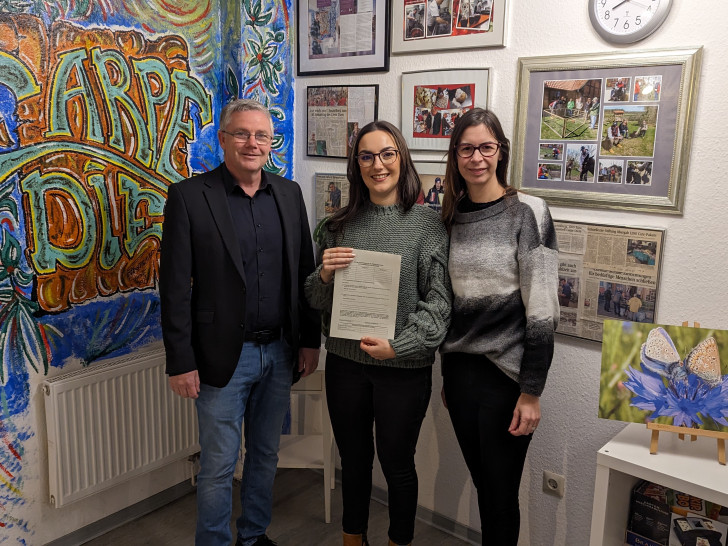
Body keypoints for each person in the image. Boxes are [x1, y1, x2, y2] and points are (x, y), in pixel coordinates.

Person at [160, 99, 321, 546]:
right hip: (220, 356)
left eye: (261, 136)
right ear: (223, 139)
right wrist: (180, 360)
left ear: (271, 143)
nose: (253, 143)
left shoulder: (288, 194)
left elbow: (304, 273)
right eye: (242, 134)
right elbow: (173, 287)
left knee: (266, 454)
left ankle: (253, 536)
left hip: (281, 350)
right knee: (217, 464)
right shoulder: (190, 197)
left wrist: (310, 340)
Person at [305, 120, 452, 546]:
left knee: (397, 464)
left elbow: (439, 305)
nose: (378, 164)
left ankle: (397, 541)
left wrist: (399, 346)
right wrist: (326, 276)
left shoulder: (427, 225)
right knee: (352, 461)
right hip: (346, 366)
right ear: (356, 166)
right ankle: (353, 539)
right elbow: (314, 298)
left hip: (402, 368)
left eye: (387, 154)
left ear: (401, 158)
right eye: (366, 156)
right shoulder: (337, 225)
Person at [440, 108, 559, 545]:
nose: (476, 158)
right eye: (467, 148)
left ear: (500, 151)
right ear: (455, 155)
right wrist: (449, 374)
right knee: (483, 484)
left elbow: (543, 308)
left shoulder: (529, 211)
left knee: (500, 494)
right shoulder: (450, 216)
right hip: (460, 372)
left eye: (486, 147)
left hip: (507, 379)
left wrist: (531, 391)